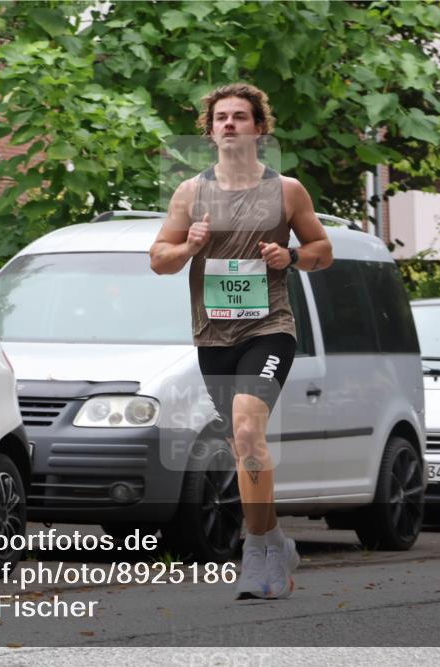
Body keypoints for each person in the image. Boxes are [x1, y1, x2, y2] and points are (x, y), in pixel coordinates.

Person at [150, 83, 333, 599]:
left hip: (269, 329)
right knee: (242, 447)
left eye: (240, 117)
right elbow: (158, 260)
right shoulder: (190, 193)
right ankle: (273, 538)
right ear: (209, 131)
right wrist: (188, 246)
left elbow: (323, 248)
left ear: (259, 128)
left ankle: (254, 556)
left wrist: (290, 258)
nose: (229, 124)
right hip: (213, 336)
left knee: (248, 431)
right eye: (221, 118)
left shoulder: (286, 191)